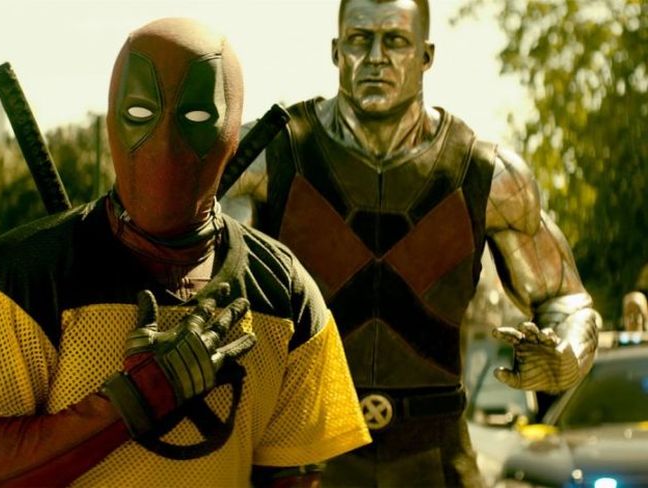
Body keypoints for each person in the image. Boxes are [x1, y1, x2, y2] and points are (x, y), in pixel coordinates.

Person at [0, 17, 370, 487]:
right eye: (140, 113)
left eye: (196, 118)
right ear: (112, 119)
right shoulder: (18, 279)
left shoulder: (284, 292)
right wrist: (131, 403)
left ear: (234, 131)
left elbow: (293, 475)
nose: (165, 142)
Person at [229, 0, 601, 485]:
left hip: (437, 456)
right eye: (360, 40)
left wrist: (566, 354)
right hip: (304, 454)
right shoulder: (264, 157)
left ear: (426, 56)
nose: (376, 57)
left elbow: (565, 299)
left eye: (395, 41)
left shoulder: (488, 175)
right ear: (336, 51)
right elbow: (191, 266)